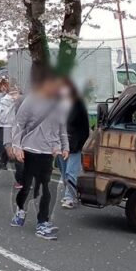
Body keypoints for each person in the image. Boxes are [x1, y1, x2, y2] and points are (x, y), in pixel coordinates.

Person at [10, 72, 68, 239]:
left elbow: (62, 128)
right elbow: (19, 123)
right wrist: (16, 146)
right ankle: (20, 210)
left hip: (48, 151)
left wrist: (65, 147)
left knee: (44, 187)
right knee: (27, 187)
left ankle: (42, 222)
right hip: (30, 149)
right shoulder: (31, 100)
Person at [59, 79, 90, 209]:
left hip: (74, 143)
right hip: (62, 143)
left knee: (70, 171)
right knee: (64, 170)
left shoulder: (77, 105)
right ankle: (72, 194)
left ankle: (69, 197)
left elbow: (80, 127)